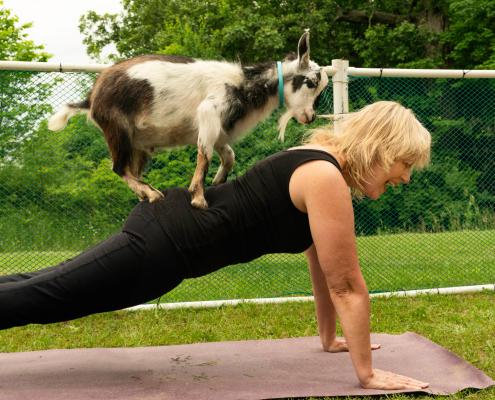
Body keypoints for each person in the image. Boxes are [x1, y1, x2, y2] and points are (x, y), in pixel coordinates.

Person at [0, 101, 431, 390]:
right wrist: (368, 375)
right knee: (49, 296)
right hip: (166, 242)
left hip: (169, 243)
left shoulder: (318, 165)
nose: (406, 178)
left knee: (45, 287)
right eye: (404, 164)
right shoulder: (324, 176)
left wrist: (329, 338)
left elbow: (324, 265)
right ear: (380, 148)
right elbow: (348, 286)